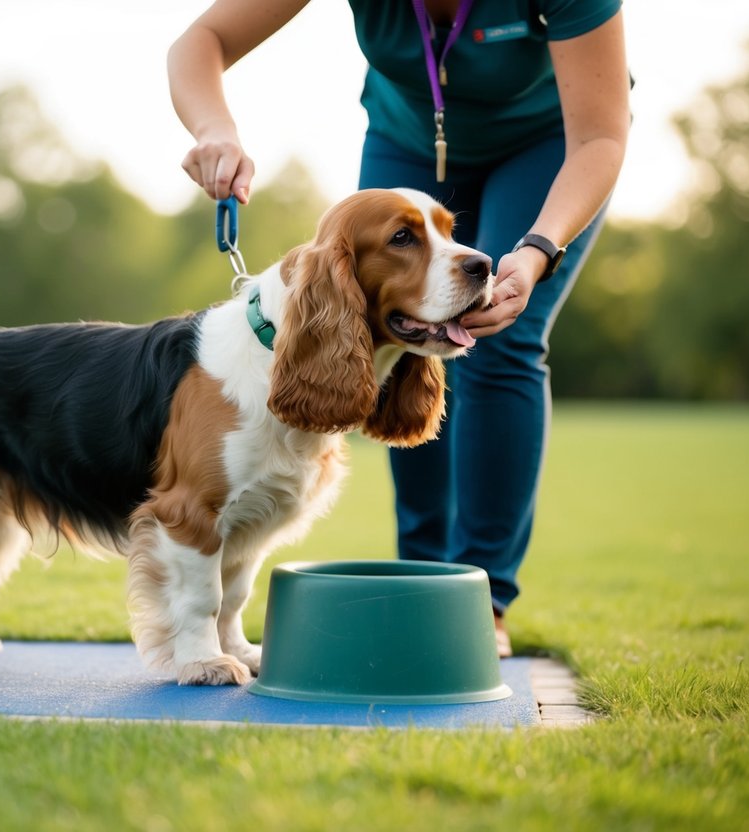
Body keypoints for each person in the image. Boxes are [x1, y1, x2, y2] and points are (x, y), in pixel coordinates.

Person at [168, 0, 629, 656]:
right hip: (408, 138)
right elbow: (201, 39)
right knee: (385, 328)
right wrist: (213, 128)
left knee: (501, 344)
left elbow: (600, 138)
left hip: (548, 144)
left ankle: (481, 600)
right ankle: (422, 577)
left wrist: (534, 250)